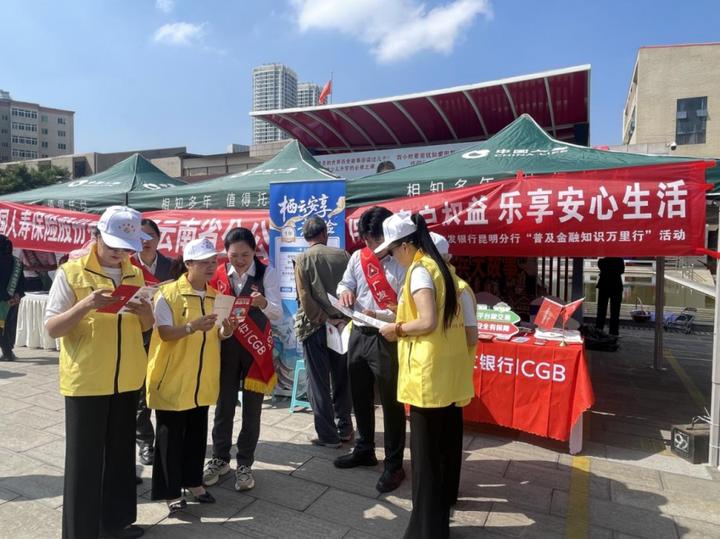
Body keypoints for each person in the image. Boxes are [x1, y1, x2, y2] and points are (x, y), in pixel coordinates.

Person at [45, 206, 155, 539]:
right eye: (113, 245)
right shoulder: (71, 272)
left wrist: (146, 312)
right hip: (87, 381)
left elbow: (145, 328)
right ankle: (80, 532)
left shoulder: (135, 274)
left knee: (120, 457)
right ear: (96, 237)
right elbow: (52, 328)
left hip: (127, 379)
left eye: (126, 247)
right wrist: (85, 305)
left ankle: (116, 523)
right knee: (84, 462)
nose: (119, 254)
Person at [377, 212, 474, 539]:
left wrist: (397, 328)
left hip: (427, 376)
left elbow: (427, 321)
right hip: (445, 373)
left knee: (425, 460)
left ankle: (425, 531)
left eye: (393, 251)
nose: (393, 257)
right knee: (437, 455)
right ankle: (434, 527)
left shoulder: (420, 270)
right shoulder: (442, 269)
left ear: (406, 245)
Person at [146, 237, 237, 516]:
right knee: (170, 437)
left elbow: (219, 334)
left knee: (197, 433)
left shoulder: (216, 297)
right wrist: (191, 327)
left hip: (201, 379)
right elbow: (164, 333)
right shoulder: (168, 293)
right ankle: (171, 491)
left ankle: (194, 482)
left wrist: (227, 330)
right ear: (188, 264)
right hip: (172, 377)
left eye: (214, 261)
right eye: (204, 262)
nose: (211, 266)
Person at [334, 207, 407, 493]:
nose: (372, 246)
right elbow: (345, 282)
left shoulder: (403, 262)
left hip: (387, 337)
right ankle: (364, 448)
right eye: (367, 240)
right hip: (359, 334)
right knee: (360, 395)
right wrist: (344, 292)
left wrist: (377, 313)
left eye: (376, 240)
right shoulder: (358, 257)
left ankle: (394, 464)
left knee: (391, 402)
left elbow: (406, 308)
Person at [203, 227, 282, 492]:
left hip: (254, 350)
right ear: (226, 253)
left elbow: (278, 314)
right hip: (225, 347)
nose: (239, 260)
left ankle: (245, 464)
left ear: (254, 251)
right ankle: (219, 458)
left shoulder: (266, 273)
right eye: (234, 255)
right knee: (223, 406)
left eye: (245, 255)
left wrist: (263, 304)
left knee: (252, 410)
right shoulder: (217, 274)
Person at [294, 216, 353, 448]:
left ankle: (328, 436)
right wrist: (339, 319)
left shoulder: (302, 259)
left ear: (305, 237)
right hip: (342, 325)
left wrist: (324, 318)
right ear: (325, 233)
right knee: (342, 378)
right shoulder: (344, 256)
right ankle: (345, 427)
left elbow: (304, 297)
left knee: (318, 382)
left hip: (315, 327)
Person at [131, 218, 173, 467]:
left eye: (150, 236)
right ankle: (145, 441)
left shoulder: (172, 265)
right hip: (139, 335)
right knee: (141, 393)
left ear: (159, 239)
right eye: (140, 237)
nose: (145, 241)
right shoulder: (127, 265)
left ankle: (169, 437)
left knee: (167, 388)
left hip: (168, 336)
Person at [430, 232, 479, 355]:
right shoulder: (424, 287)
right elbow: (472, 337)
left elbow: (471, 336)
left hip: (448, 360)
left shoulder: (460, 289)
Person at [0, 235, 25, 362]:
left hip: (3, 300)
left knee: (1, 327)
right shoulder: (17, 262)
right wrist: (17, 295)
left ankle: (7, 353)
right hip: (13, 300)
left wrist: (5, 297)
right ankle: (8, 350)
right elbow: (22, 281)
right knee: (9, 326)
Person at [595, 257, 625, 336]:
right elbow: (622, 270)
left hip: (604, 285)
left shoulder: (602, 259)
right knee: (615, 311)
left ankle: (599, 330)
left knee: (601, 310)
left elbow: (600, 266)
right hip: (616, 285)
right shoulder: (619, 259)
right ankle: (613, 332)